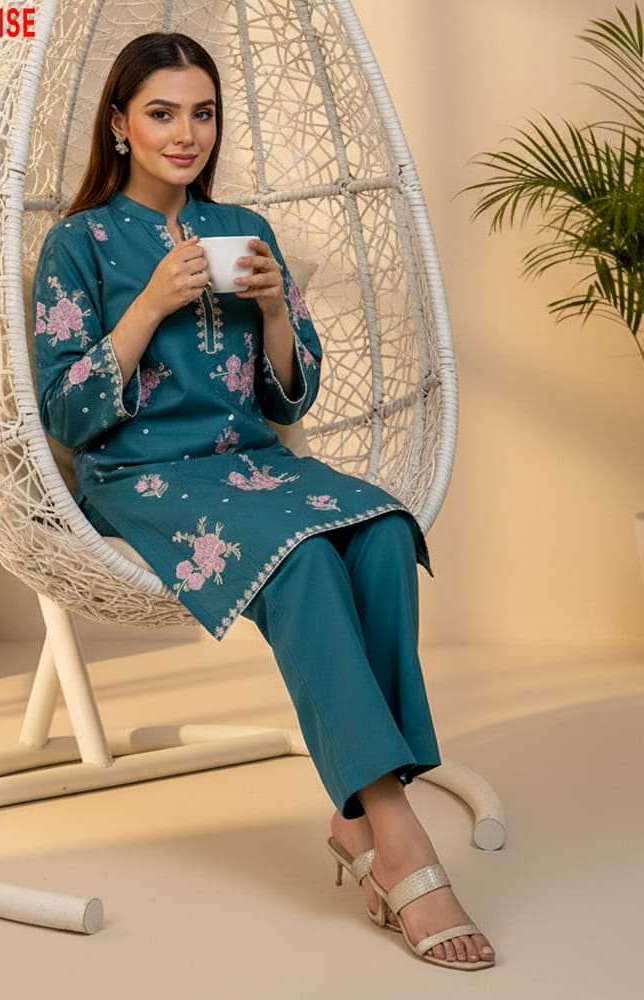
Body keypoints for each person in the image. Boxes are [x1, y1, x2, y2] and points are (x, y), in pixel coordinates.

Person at [32, 32, 495, 971]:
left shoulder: (244, 223)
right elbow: (70, 412)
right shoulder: (75, 245)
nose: (185, 132)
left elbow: (291, 396)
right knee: (305, 555)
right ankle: (393, 830)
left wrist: (279, 310)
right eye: (161, 112)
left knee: (377, 528)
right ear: (119, 125)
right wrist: (151, 303)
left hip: (248, 462)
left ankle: (356, 811)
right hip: (142, 479)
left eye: (202, 113)